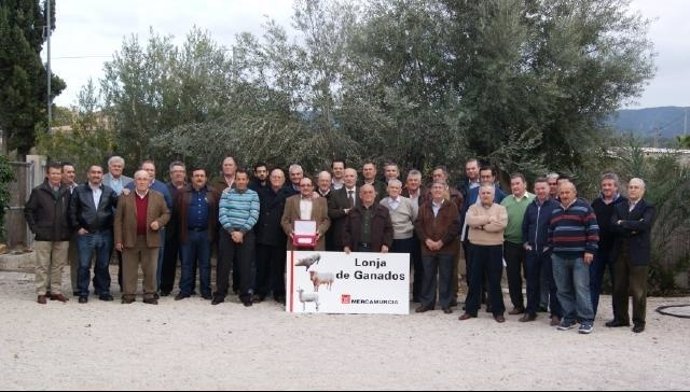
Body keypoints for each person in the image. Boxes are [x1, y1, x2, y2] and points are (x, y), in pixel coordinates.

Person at [549, 181, 599, 334]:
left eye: (567, 192)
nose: (564, 195)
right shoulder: (555, 211)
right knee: (563, 289)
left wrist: (590, 250)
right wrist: (552, 250)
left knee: (581, 288)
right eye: (562, 193)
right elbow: (551, 232)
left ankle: (586, 320)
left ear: (574, 193)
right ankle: (569, 317)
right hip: (559, 256)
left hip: (579, 256)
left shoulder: (585, 208)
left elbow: (593, 230)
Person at [114, 170, 170, 304]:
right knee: (129, 269)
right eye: (139, 179)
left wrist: (159, 222)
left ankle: (149, 294)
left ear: (149, 182)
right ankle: (128, 294)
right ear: (134, 182)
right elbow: (118, 220)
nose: (142, 181)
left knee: (150, 269)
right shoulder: (125, 197)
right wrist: (118, 240)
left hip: (151, 238)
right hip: (129, 238)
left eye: (145, 179)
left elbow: (166, 213)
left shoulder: (158, 196)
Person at [608, 178, 655, 333]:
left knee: (638, 290)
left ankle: (639, 321)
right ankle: (621, 319)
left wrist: (623, 223)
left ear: (643, 190)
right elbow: (612, 226)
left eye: (636, 187)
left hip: (638, 254)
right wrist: (632, 226)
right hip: (619, 253)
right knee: (619, 288)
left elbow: (645, 225)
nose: (632, 190)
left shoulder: (648, 207)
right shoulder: (618, 206)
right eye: (630, 187)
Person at [69, 165, 119, 303]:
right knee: (84, 265)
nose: (96, 175)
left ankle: (103, 290)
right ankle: (83, 292)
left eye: (99, 172)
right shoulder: (79, 191)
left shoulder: (109, 191)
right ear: (88, 174)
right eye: (93, 172)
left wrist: (127, 194)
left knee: (103, 265)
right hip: (86, 234)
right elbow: (72, 211)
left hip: (105, 233)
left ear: (102, 175)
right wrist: (77, 227)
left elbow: (120, 205)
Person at [459, 183, 508, 323]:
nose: (485, 195)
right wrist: (488, 220)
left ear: (493, 195)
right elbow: (470, 221)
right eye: (483, 193)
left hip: (494, 248)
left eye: (488, 193)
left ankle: (498, 311)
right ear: (479, 195)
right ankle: (470, 310)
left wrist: (479, 226)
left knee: (494, 281)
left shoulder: (501, 209)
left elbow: (501, 225)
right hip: (476, 247)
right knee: (474, 280)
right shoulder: (472, 208)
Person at [25, 162, 72, 304]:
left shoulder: (66, 191)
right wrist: (35, 228)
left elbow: (70, 212)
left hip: (62, 235)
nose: (56, 176)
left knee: (58, 265)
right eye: (53, 173)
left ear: (61, 175)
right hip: (43, 235)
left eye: (58, 173)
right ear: (47, 174)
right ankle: (41, 291)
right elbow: (29, 211)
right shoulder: (38, 191)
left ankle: (55, 291)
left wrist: (68, 228)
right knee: (42, 265)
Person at [213, 169, 260, 306]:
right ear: (235, 180)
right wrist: (232, 231)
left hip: (246, 232)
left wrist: (242, 232)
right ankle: (220, 294)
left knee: (245, 265)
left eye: (243, 179)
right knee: (223, 264)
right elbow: (222, 212)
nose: (240, 181)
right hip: (228, 232)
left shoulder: (253, 195)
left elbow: (254, 215)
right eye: (238, 179)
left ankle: (244, 294)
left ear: (247, 181)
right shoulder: (226, 193)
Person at [174, 167, 220, 301]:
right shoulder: (182, 193)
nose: (199, 178)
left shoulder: (213, 193)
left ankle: (206, 291)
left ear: (206, 178)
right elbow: (176, 213)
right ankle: (185, 290)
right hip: (187, 233)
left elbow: (217, 212)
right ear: (191, 178)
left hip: (206, 233)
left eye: (202, 176)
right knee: (186, 263)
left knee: (205, 264)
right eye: (196, 176)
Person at [414, 181, 460, 314]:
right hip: (427, 248)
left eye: (440, 188)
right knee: (428, 276)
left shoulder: (452, 206)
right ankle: (427, 303)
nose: (438, 190)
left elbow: (455, 226)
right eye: (435, 188)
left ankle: (446, 303)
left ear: (445, 189)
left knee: (446, 276)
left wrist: (441, 242)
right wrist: (427, 240)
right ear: (431, 191)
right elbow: (418, 225)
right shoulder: (424, 207)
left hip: (446, 248)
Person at [521, 177, 561, 325]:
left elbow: (558, 228)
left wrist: (550, 245)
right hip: (532, 250)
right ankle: (530, 311)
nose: (540, 191)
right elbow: (525, 226)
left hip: (549, 251)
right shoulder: (531, 206)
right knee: (531, 282)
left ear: (549, 189)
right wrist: (525, 243)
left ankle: (556, 314)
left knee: (553, 283)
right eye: (537, 188)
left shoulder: (556, 206)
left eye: (543, 188)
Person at [590, 172, 628, 317]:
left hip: (616, 250)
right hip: (597, 249)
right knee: (593, 283)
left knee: (618, 285)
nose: (606, 187)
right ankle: (589, 314)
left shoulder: (624, 203)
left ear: (616, 187)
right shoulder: (596, 203)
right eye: (604, 185)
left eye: (609, 185)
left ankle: (619, 317)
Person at [254, 168, 292, 303]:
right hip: (263, 234)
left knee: (278, 266)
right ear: (270, 178)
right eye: (274, 177)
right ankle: (259, 291)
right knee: (261, 266)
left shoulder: (290, 194)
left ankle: (279, 292)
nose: (276, 179)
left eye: (279, 177)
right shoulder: (261, 193)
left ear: (283, 179)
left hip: (280, 235)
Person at [500, 173, 534, 315]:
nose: (515, 186)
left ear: (524, 184)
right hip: (510, 243)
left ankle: (532, 307)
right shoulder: (505, 202)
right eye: (513, 184)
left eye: (517, 183)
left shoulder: (534, 199)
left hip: (529, 244)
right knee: (513, 276)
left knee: (531, 276)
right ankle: (517, 305)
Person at [159, 161, 186, 297]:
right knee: (168, 260)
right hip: (169, 230)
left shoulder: (190, 188)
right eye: (176, 172)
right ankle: (165, 287)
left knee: (187, 260)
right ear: (171, 174)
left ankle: (187, 287)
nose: (178, 174)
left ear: (184, 174)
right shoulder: (164, 188)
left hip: (186, 230)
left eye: (181, 171)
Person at [281, 177, 330, 251]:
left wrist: (320, 231)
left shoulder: (322, 201)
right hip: (295, 243)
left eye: (308, 185)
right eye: (303, 185)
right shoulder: (290, 200)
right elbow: (284, 220)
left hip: (316, 242)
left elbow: (326, 220)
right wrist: (290, 231)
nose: (305, 188)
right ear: (299, 187)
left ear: (313, 187)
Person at [343, 184, 393, 253]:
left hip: (377, 249)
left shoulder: (384, 210)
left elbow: (388, 230)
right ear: (360, 195)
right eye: (365, 192)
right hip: (357, 249)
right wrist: (347, 245)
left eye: (370, 192)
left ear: (375, 194)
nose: (368, 194)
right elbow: (346, 230)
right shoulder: (353, 211)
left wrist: (386, 244)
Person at [401, 169, 426, 302]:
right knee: (405, 265)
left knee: (419, 265)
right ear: (407, 182)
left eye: (416, 180)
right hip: (405, 235)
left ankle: (418, 295)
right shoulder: (401, 193)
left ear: (420, 182)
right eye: (411, 180)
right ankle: (402, 295)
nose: (413, 182)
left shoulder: (426, 195)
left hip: (421, 235)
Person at [380, 179, 417, 257]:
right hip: (388, 240)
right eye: (392, 187)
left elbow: (415, 219)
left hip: (406, 238)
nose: (394, 189)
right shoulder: (382, 203)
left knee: (404, 265)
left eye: (396, 188)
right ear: (387, 189)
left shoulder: (408, 202)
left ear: (400, 190)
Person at [61, 162, 80, 296]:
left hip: (75, 231)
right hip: (60, 230)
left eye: (73, 172)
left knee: (76, 260)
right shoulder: (56, 189)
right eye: (68, 172)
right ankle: (52, 288)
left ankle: (77, 288)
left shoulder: (79, 189)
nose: (71, 174)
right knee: (57, 261)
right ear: (62, 174)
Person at [327, 168, 358, 251]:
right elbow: (331, 212)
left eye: (352, 176)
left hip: (359, 237)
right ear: (343, 179)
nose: (349, 178)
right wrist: (344, 211)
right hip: (341, 237)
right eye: (346, 176)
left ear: (356, 178)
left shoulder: (363, 192)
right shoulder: (335, 194)